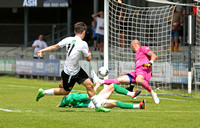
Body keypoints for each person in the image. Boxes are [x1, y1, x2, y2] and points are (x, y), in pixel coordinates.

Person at [35, 22, 110, 112]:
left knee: (89, 85)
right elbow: (88, 59)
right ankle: (43, 92)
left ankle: (98, 107)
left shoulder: (68, 39)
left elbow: (55, 46)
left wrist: (42, 50)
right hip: (70, 72)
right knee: (65, 92)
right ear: (84, 32)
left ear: (75, 31)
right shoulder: (83, 44)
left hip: (76, 69)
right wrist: (89, 54)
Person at [91, 39, 160, 104]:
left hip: (144, 70)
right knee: (119, 79)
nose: (131, 49)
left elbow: (154, 55)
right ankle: (100, 81)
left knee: (139, 80)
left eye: (131, 47)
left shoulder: (143, 48)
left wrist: (150, 63)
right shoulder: (137, 56)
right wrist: (132, 84)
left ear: (133, 45)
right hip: (137, 73)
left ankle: (153, 93)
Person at [57, 81, 145, 110]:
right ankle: (138, 106)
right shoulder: (73, 96)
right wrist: (97, 85)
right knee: (114, 102)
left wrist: (60, 106)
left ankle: (132, 94)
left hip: (95, 99)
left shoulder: (64, 100)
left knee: (113, 86)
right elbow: (89, 96)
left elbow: (60, 105)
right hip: (93, 103)